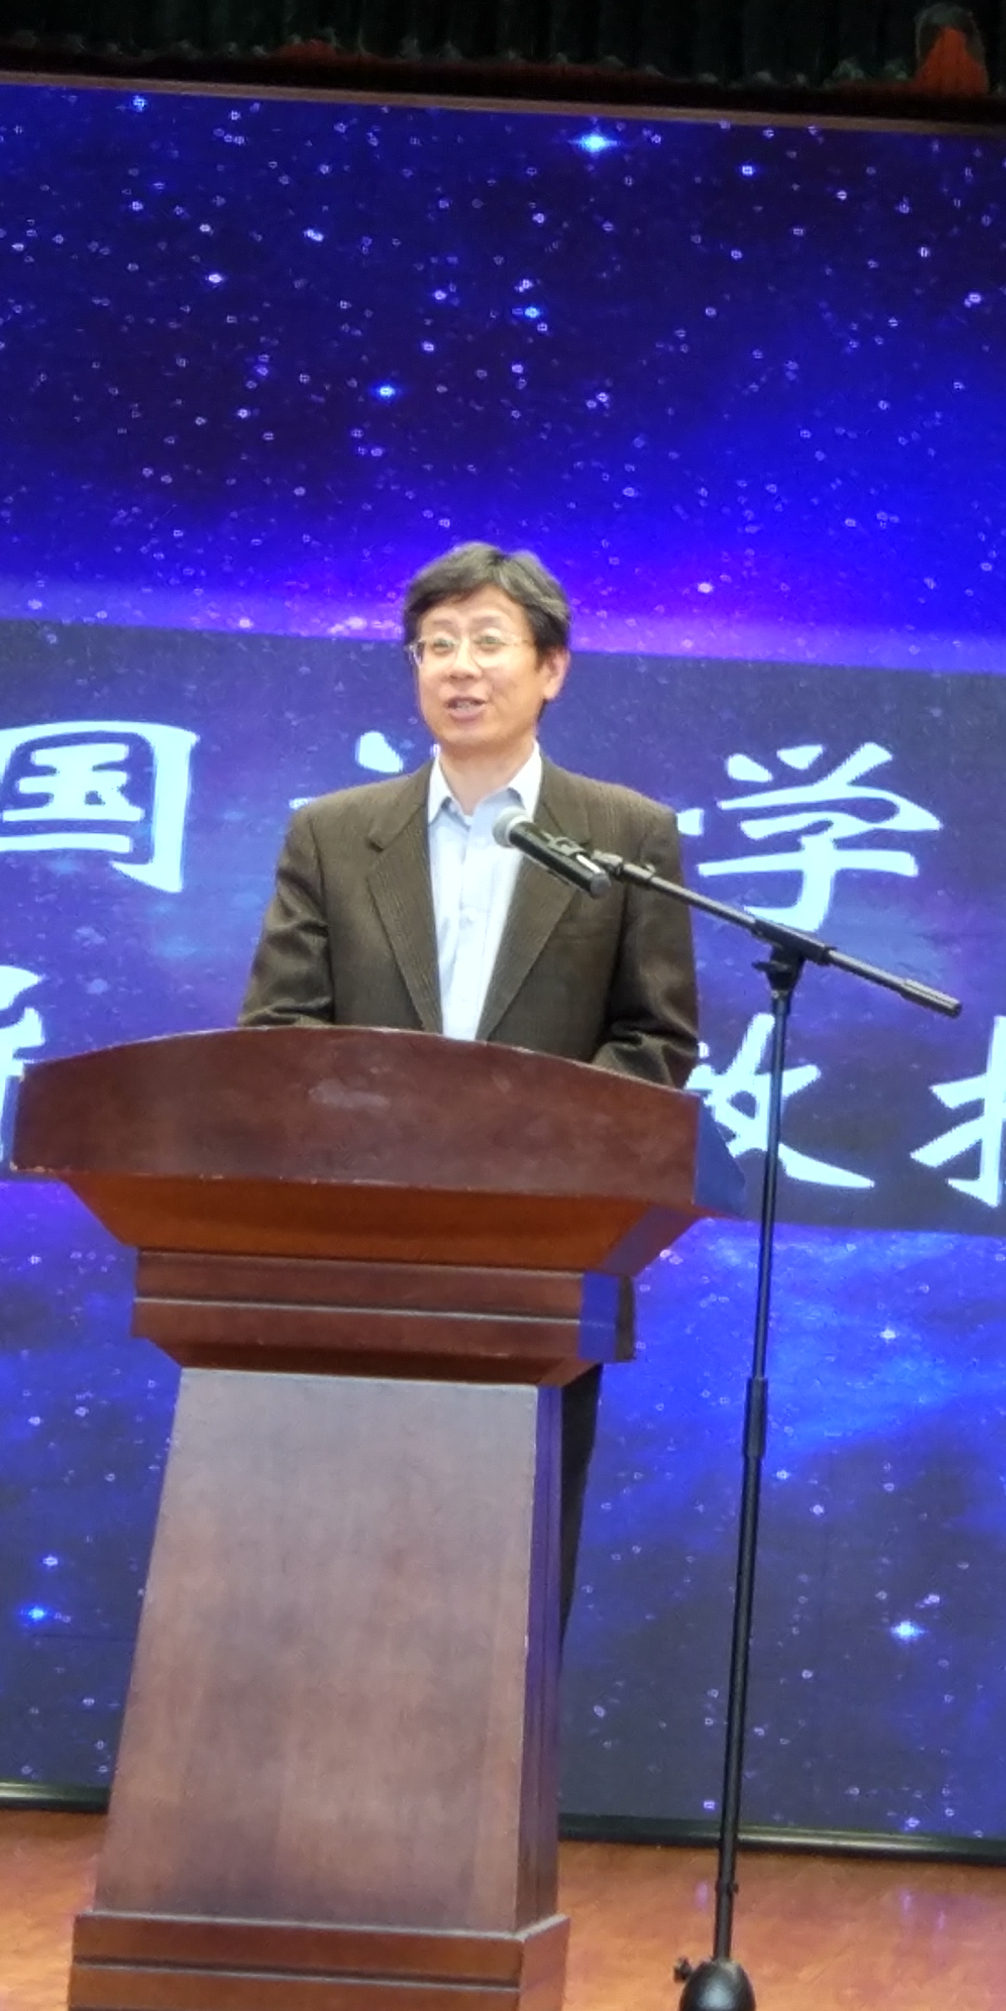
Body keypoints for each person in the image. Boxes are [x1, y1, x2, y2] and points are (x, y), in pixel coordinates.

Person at [238, 541, 698, 1627]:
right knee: (330, 1569)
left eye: (490, 641)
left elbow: (654, 1041)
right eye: (436, 645)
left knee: (507, 1588)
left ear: (552, 668)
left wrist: (514, 1158)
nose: (460, 667)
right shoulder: (334, 834)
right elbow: (280, 1033)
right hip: (356, 1254)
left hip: (539, 1261)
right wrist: (390, 1149)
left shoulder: (625, 836)